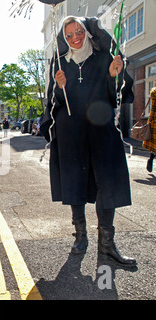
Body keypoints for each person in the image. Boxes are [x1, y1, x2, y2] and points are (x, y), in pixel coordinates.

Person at [40, 16, 136, 266]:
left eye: (78, 31)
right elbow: (53, 104)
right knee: (75, 182)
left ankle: (107, 244)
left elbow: (117, 95)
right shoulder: (60, 63)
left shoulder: (103, 56)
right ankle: (80, 237)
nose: (74, 38)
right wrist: (59, 87)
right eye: (69, 35)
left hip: (102, 131)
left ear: (87, 31)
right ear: (64, 38)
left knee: (108, 182)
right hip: (72, 133)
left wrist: (114, 75)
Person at [143, 87, 156, 172]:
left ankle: (151, 160)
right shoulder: (154, 92)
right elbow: (153, 109)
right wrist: (150, 121)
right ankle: (150, 160)